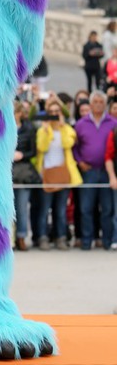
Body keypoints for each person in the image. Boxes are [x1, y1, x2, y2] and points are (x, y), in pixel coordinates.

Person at [34, 100, 82, 250]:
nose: (54, 114)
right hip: (46, 174)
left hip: (63, 174)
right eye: (52, 112)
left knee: (60, 210)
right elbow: (41, 147)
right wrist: (48, 130)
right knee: (44, 209)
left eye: (57, 112)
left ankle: (60, 237)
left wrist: (61, 128)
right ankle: (43, 237)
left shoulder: (67, 129)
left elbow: (68, 144)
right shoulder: (42, 130)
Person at [74, 90, 116, 250]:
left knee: (107, 208)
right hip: (88, 171)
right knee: (86, 208)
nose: (98, 104)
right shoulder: (81, 123)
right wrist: (79, 161)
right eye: (95, 101)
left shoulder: (113, 123)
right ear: (90, 104)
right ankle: (86, 240)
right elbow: (74, 147)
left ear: (105, 104)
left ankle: (106, 240)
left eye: (101, 101)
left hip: (107, 171)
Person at [12, 100, 37, 251]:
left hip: (23, 173)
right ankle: (8, 240)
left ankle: (21, 236)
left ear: (20, 113)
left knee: (21, 207)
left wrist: (21, 155)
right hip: (5, 172)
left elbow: (33, 151)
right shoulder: (3, 127)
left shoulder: (29, 129)